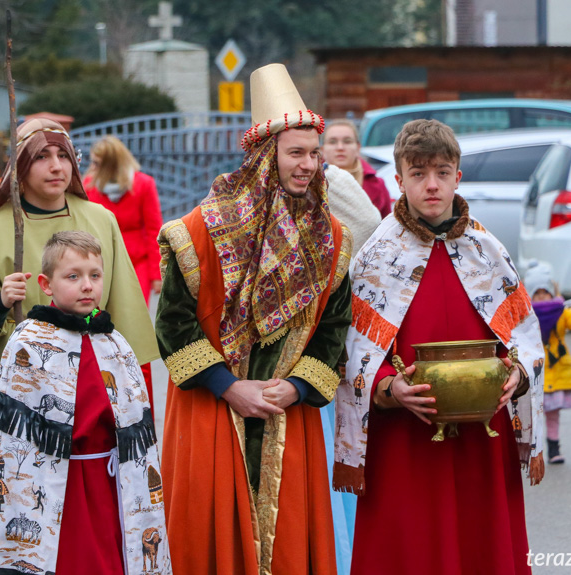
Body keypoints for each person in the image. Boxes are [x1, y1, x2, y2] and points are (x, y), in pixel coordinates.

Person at [156, 63, 352, 575]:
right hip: (212, 412)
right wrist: (229, 386)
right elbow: (173, 327)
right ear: (267, 157)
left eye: (314, 153)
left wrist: (297, 387)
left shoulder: (332, 237)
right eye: (296, 153)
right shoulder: (197, 232)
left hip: (290, 416)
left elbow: (333, 331)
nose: (308, 164)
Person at [335, 119, 545, 575]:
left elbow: (524, 335)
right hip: (407, 438)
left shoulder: (488, 251)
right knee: (413, 549)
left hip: (483, 438)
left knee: (483, 546)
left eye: (443, 172)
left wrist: (518, 374)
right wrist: (389, 390)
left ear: (458, 177)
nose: (432, 185)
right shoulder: (375, 256)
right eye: (418, 173)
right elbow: (350, 348)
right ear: (399, 180)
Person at [0, 118, 159, 567]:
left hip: (91, 397)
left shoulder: (100, 219)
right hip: (21, 399)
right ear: (19, 167)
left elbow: (123, 313)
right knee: (17, 507)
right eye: (42, 156)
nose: (55, 166)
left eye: (63, 155)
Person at [0, 231, 169, 575]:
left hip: (110, 485)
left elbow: (134, 424)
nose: (86, 285)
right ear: (46, 283)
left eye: (94, 275)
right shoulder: (28, 342)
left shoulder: (115, 343)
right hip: (57, 482)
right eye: (73, 276)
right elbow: (12, 441)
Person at [525, 262, 571, 464]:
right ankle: (532, 450)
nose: (541, 298)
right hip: (534, 373)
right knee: (532, 417)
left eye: (545, 292)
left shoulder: (560, 312)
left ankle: (554, 449)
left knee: (552, 415)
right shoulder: (525, 315)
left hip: (555, 371)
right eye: (536, 294)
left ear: (552, 292)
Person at [83, 135, 164, 304]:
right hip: (101, 262)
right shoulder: (89, 186)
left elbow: (154, 230)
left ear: (111, 165)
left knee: (135, 312)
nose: (92, 167)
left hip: (136, 263)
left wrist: (156, 274)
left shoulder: (143, 184)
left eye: (97, 163)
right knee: (101, 313)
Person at [322, 119, 393, 217]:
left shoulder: (378, 185)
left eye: (347, 141)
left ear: (358, 147)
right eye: (332, 142)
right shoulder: (310, 183)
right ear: (323, 149)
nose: (340, 147)